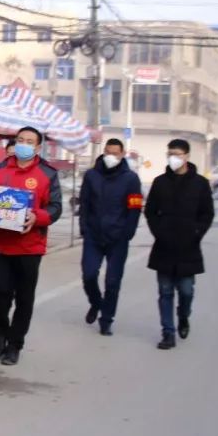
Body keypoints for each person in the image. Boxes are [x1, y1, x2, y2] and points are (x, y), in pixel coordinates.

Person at [0, 126, 62, 366]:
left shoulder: (47, 174)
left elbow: (56, 207)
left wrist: (36, 217)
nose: (24, 145)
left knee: (24, 297)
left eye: (30, 141)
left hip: (29, 247)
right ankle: (2, 328)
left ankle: (15, 344)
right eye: (20, 140)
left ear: (38, 147)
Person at [144, 139, 214, 350]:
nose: (172, 158)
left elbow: (207, 213)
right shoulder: (160, 182)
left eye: (177, 154)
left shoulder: (200, 183)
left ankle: (183, 316)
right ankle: (168, 333)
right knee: (165, 292)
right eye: (170, 154)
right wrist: (158, 231)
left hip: (188, 247)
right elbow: (150, 212)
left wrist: (196, 232)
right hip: (164, 247)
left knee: (186, 291)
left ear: (186, 156)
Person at [79, 138, 143, 336]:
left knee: (113, 281)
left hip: (118, 237)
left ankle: (106, 319)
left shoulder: (131, 179)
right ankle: (96, 303)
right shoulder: (91, 175)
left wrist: (128, 232)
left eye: (115, 153)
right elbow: (84, 203)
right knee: (89, 274)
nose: (111, 156)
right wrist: (84, 228)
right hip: (93, 235)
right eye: (108, 152)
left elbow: (135, 207)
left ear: (122, 154)